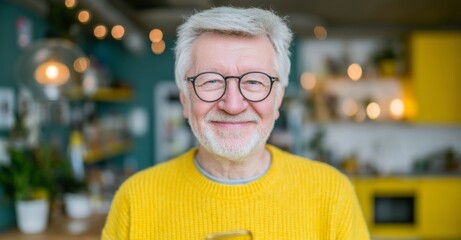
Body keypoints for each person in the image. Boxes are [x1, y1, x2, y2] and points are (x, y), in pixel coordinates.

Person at [102, 6, 369, 239]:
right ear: (185, 99)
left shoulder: (333, 194)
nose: (232, 105)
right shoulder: (135, 199)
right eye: (211, 80)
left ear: (277, 100)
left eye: (253, 82)